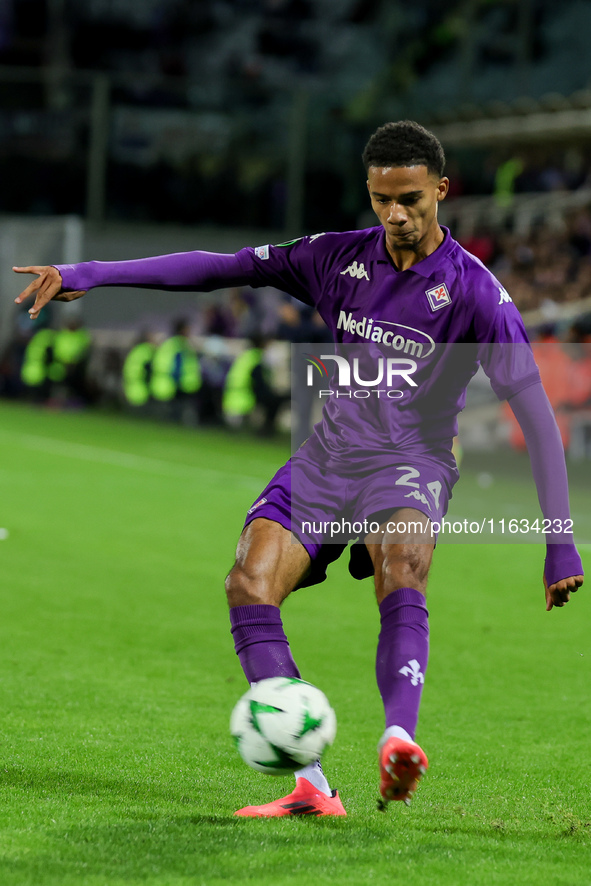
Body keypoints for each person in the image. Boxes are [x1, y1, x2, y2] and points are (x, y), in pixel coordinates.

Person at [13, 120, 584, 818]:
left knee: (400, 564)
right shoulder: (332, 258)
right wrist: (89, 274)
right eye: (381, 200)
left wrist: (558, 538)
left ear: (440, 190)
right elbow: (220, 266)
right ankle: (312, 782)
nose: (395, 215)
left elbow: (531, 410)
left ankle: (398, 739)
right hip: (328, 458)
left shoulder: (474, 294)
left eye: (410, 199)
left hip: (410, 462)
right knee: (248, 582)